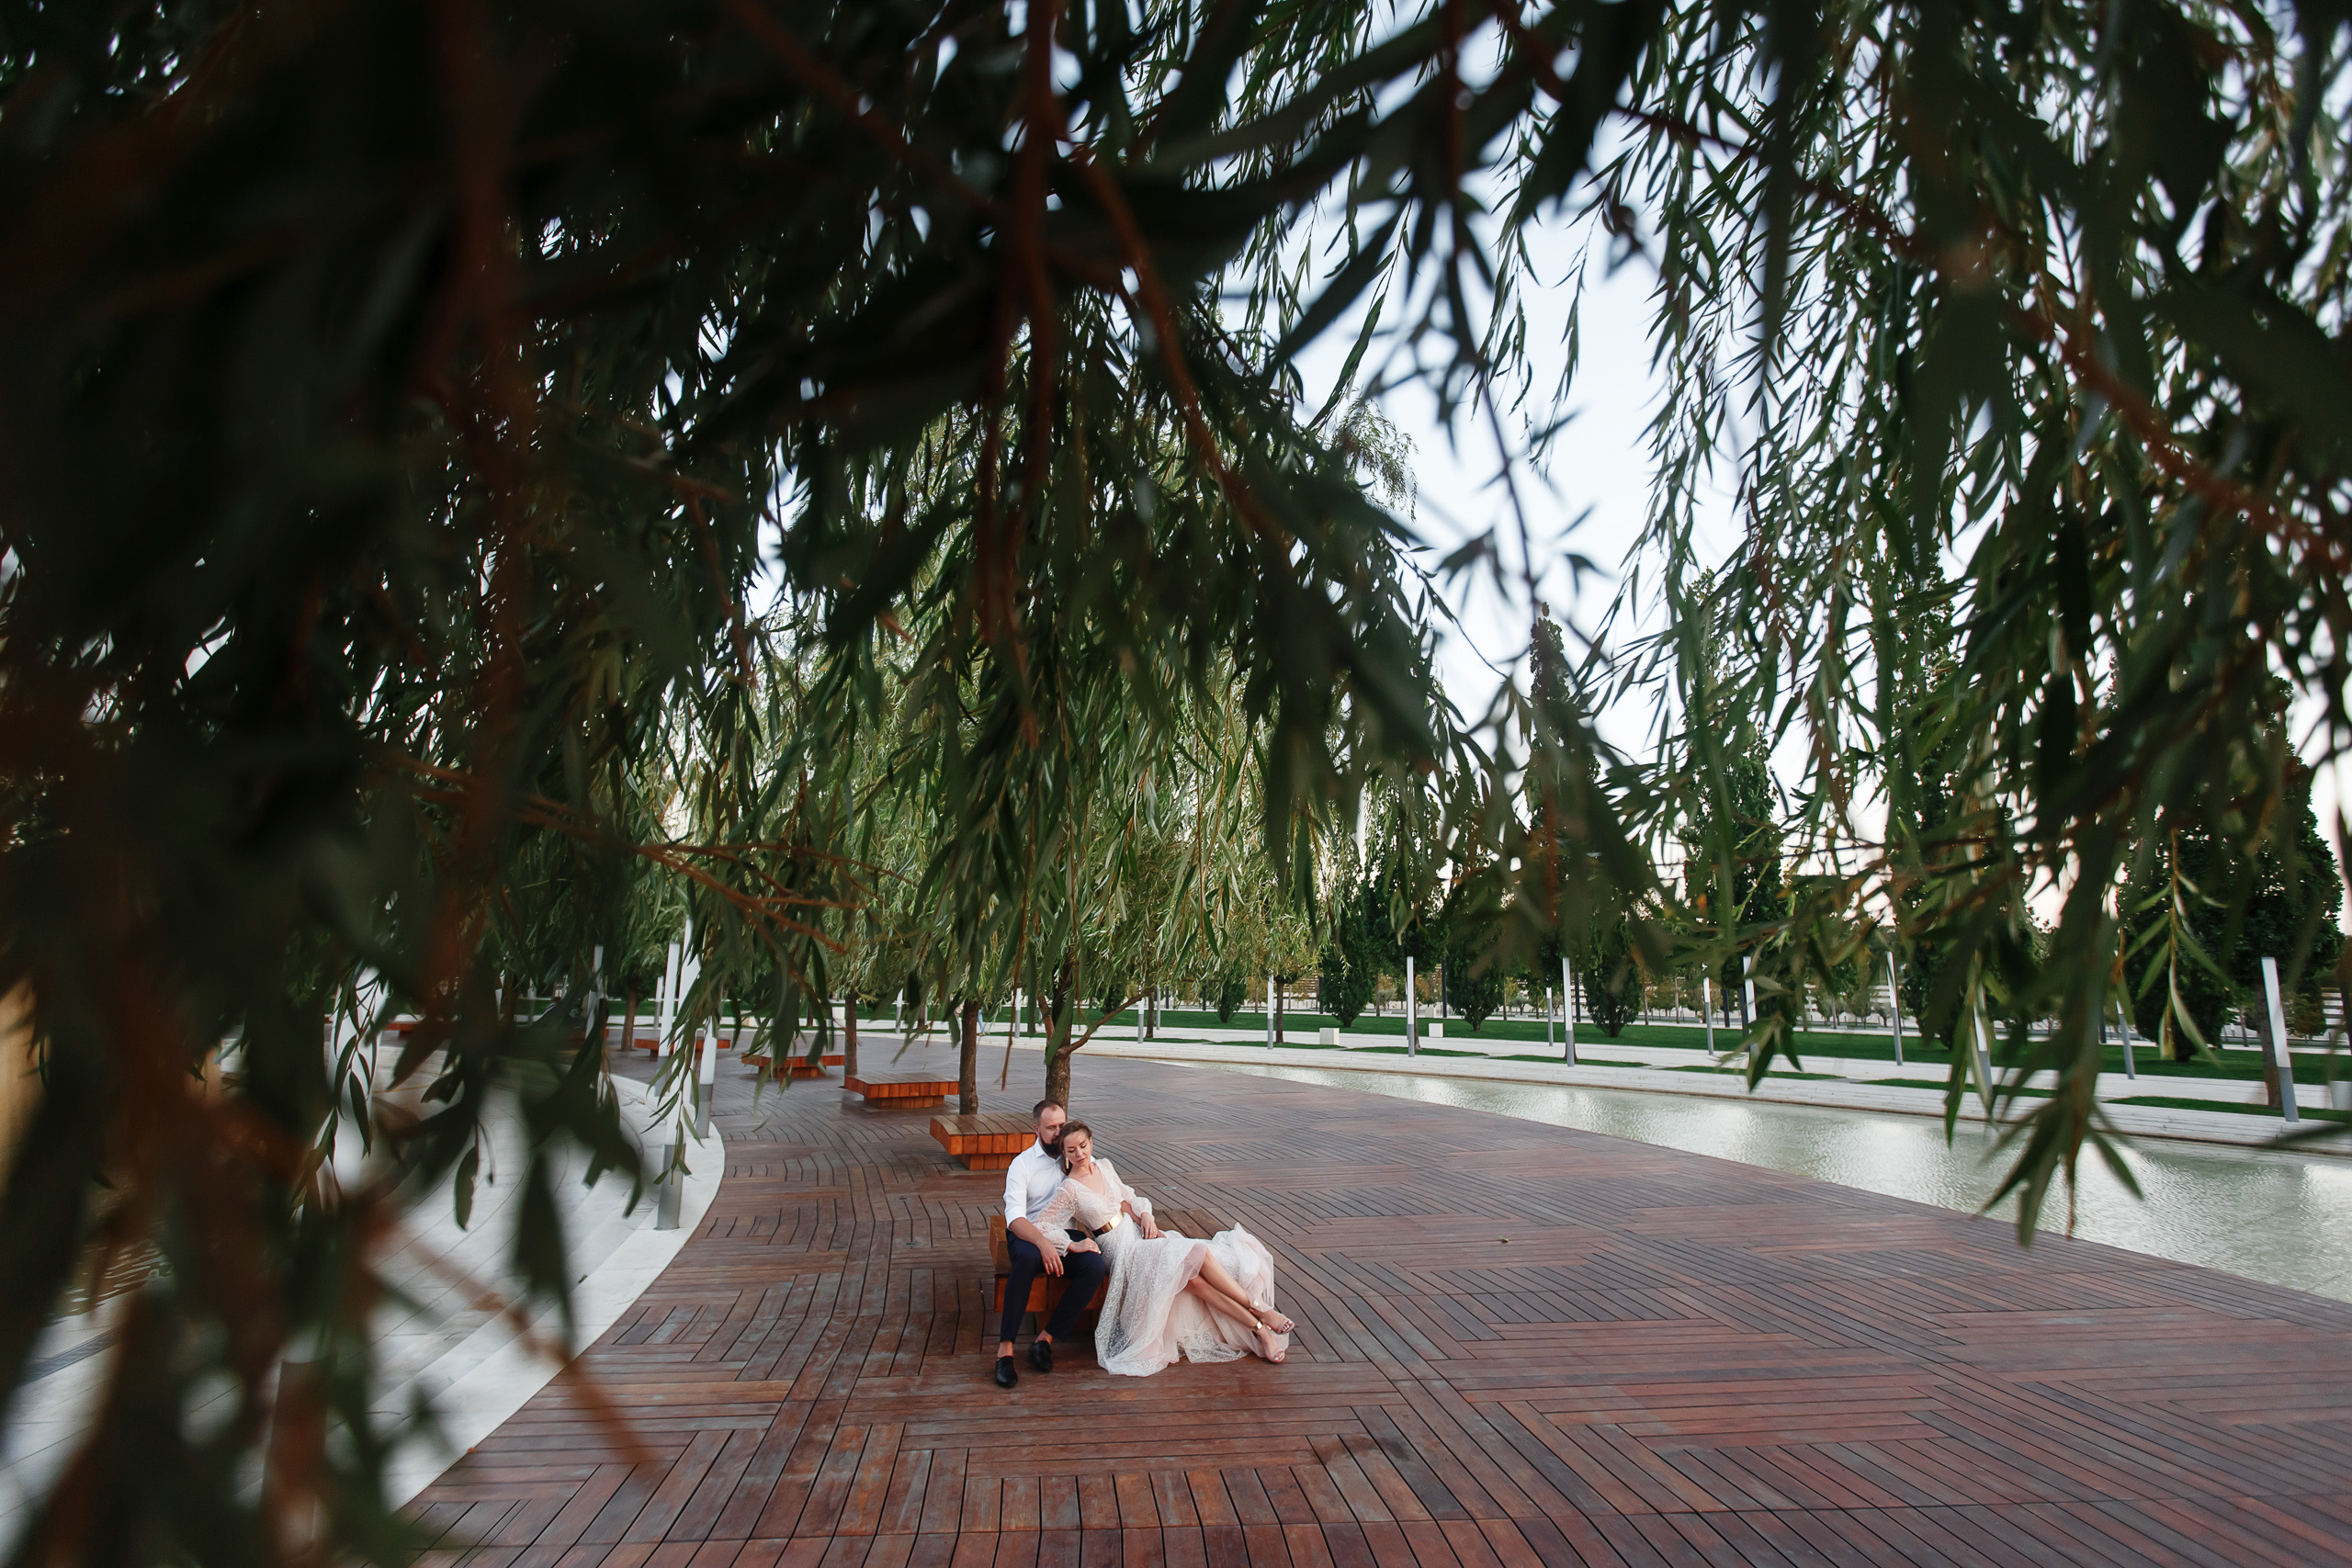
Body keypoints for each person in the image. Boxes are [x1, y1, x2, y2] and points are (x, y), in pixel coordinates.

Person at [1031, 1122, 1292, 1376]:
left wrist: (1145, 1215)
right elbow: (1041, 1224)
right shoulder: (1069, 1189)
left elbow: (1128, 1198)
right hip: (1120, 1251)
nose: (1080, 1154)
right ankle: (1260, 1311)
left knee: (1196, 1275)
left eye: (1083, 1146)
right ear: (1063, 1153)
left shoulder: (1105, 1166)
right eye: (1072, 1150)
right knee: (1195, 1254)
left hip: (1140, 1234)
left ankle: (1259, 1327)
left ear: (1091, 1142)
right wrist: (1072, 1244)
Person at [996, 1099, 1106, 1389]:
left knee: (1095, 1265)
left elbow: (1107, 1189)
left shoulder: (1075, 1155)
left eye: (1061, 1125)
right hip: (1028, 1234)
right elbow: (1014, 1220)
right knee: (1028, 1259)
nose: (1059, 1132)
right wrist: (1044, 1243)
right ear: (1036, 1128)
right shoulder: (1022, 1165)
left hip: (1067, 1234)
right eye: (1051, 1127)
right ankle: (1005, 1350)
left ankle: (1045, 1339)